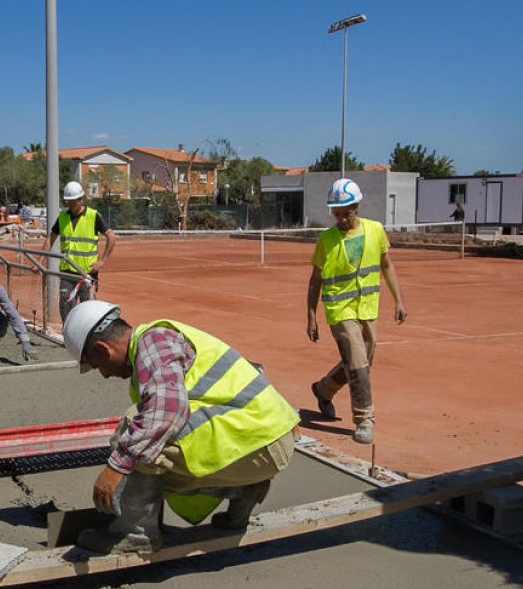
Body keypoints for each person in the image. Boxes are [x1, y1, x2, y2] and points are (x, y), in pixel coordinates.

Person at [63, 300, 300, 554]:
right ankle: (244, 490)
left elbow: (167, 411)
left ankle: (136, 534)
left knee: (135, 429)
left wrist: (116, 466)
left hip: (257, 441)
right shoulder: (160, 343)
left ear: (102, 349)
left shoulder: (152, 344)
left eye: (98, 365)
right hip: (261, 443)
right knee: (153, 465)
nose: (104, 374)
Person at [306, 178, 407, 445]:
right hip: (339, 309)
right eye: (336, 214)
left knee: (359, 361)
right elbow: (315, 279)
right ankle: (365, 418)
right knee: (359, 362)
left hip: (367, 307)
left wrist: (399, 300)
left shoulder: (375, 231)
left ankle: (323, 390)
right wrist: (311, 316)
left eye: (345, 213)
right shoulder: (326, 239)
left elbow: (387, 266)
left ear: (356, 207)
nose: (340, 219)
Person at [47, 181, 118, 320]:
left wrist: (102, 261)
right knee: (65, 305)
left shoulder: (93, 215)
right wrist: (41, 260)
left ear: (80, 200)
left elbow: (111, 236)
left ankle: (85, 339)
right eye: (68, 201)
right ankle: (68, 335)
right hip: (67, 272)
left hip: (87, 273)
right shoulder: (63, 217)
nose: (70, 205)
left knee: (87, 310)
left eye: (73, 202)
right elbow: (51, 237)